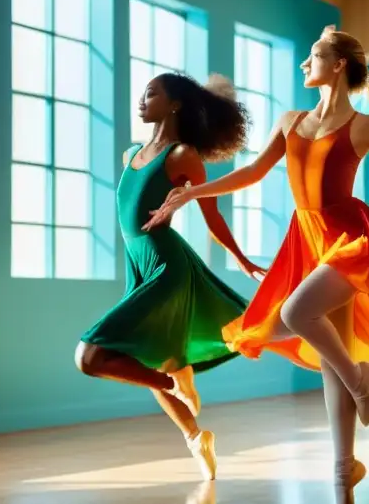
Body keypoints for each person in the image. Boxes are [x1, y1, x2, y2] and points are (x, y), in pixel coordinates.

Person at [143, 25, 369, 504]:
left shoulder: (366, 127)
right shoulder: (291, 122)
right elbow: (252, 173)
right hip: (305, 241)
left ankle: (358, 380)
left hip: (351, 239)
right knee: (315, 344)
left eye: (314, 55)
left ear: (339, 66)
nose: (305, 63)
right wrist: (191, 193)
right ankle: (343, 468)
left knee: (297, 313)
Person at [75, 73, 264, 482]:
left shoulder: (181, 156)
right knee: (140, 359)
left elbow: (212, 216)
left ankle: (175, 377)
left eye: (151, 93)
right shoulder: (131, 154)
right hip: (138, 265)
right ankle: (196, 436)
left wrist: (242, 260)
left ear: (174, 104)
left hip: (165, 265)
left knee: (90, 357)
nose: (142, 100)